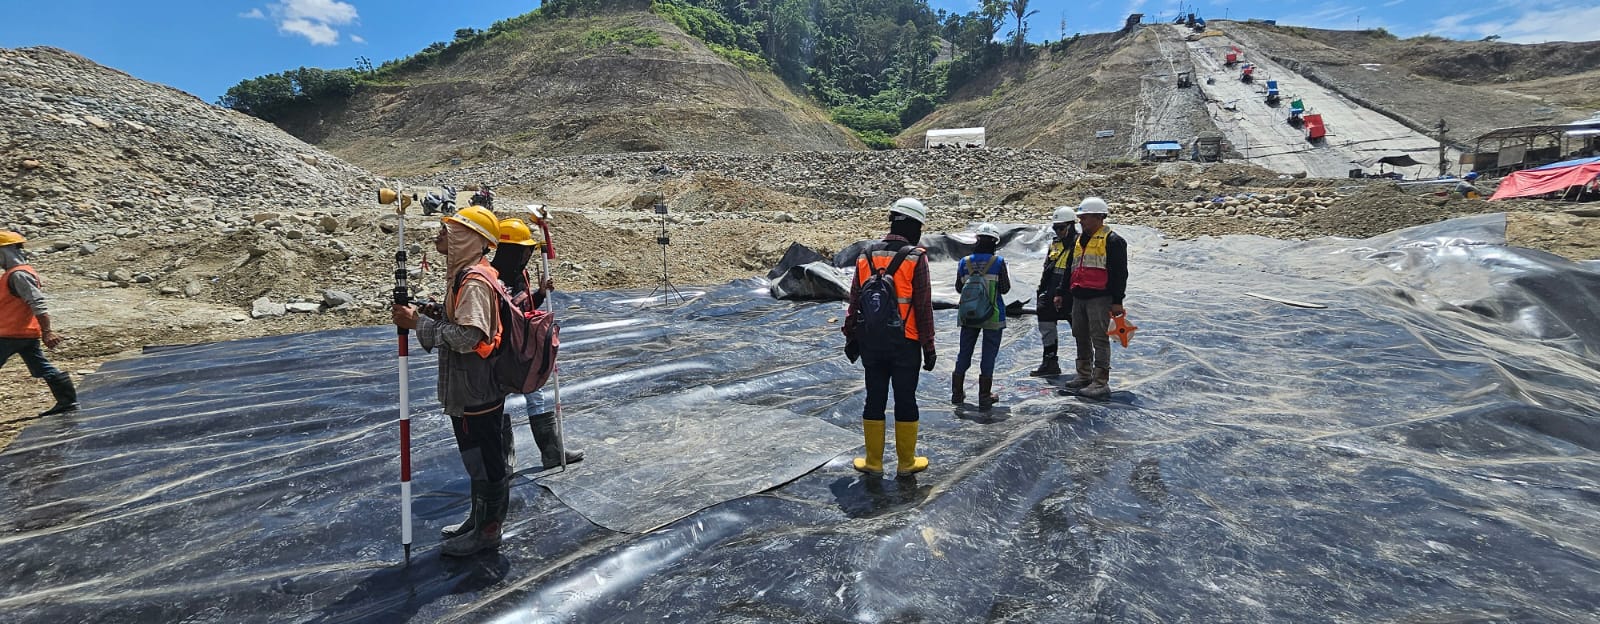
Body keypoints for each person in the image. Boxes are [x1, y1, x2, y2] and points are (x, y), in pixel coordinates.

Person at [391, 206, 514, 557]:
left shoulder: (473, 282)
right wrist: (436, 314)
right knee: (477, 459)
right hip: (473, 386)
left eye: (450, 230)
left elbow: (469, 337)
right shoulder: (466, 276)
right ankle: (479, 518)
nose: (441, 234)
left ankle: (488, 531)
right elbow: (463, 324)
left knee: (486, 460)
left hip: (477, 389)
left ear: (469, 238)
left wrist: (419, 324)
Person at [843, 198, 936, 476]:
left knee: (874, 398)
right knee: (905, 399)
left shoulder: (866, 255)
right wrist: (928, 346)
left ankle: (873, 462)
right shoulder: (916, 257)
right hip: (905, 342)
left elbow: (855, 301)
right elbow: (923, 306)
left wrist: (851, 337)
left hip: (871, 341)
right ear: (913, 226)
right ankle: (906, 463)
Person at [491, 217, 583, 469]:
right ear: (509, 250)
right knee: (498, 401)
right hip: (500, 351)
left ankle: (551, 452)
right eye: (522, 251)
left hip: (525, 347)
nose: (526, 256)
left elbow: (527, 308)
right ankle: (503, 460)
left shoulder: (521, 274)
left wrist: (540, 294)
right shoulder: (492, 278)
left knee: (536, 394)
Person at [1, 230, 78, 416]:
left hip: (9, 334)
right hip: (24, 334)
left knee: (41, 366)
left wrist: (47, 331)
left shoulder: (18, 275)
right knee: (41, 366)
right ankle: (68, 401)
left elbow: (38, 303)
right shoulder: (16, 274)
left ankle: (68, 401)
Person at [1063, 198, 1130, 399]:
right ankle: (1084, 375)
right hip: (1079, 296)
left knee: (1099, 338)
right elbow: (1070, 268)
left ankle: (1100, 382)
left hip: (1100, 298)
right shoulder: (1078, 240)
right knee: (1080, 335)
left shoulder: (1113, 241)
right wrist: (1062, 292)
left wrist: (1117, 301)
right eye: (1081, 217)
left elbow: (1120, 273)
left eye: (1084, 217)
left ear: (1099, 217)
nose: (1081, 221)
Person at [952, 223, 1011, 411]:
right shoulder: (998, 262)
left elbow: (959, 288)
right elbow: (1005, 289)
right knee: (988, 355)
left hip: (969, 315)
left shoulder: (964, 262)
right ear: (995, 242)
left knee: (964, 352)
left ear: (977, 240)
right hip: (993, 315)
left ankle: (957, 393)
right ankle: (984, 396)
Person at [1030, 206, 1079, 377]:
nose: (1058, 231)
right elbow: (1047, 268)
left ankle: (1086, 367)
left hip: (1071, 292)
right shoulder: (1055, 244)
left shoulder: (1080, 243)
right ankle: (1049, 362)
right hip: (1051, 289)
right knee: (1046, 323)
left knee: (1080, 329)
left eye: (1061, 228)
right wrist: (1041, 291)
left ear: (1071, 225)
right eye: (1055, 228)